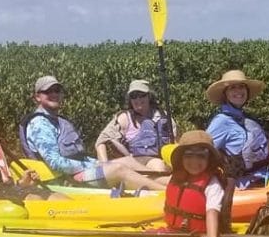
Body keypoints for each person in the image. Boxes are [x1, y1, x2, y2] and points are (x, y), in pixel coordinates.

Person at [20, 75, 167, 192]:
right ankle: (165, 193)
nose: (54, 94)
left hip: (79, 170)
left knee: (129, 161)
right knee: (118, 169)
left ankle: (169, 183)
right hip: (65, 179)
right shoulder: (39, 124)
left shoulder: (57, 120)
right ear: (37, 97)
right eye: (48, 91)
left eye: (57, 90)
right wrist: (93, 165)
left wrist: (94, 163)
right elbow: (55, 163)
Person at [94, 79, 178, 171]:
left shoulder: (164, 117)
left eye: (141, 95)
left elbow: (175, 141)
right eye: (134, 96)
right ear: (130, 99)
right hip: (134, 163)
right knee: (157, 165)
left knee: (160, 164)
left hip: (163, 162)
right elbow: (101, 141)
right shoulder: (124, 118)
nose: (138, 99)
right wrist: (104, 165)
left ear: (149, 96)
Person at [162, 130, 226, 237]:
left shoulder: (212, 184)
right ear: (181, 158)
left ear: (209, 159)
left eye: (201, 156)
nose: (194, 161)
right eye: (189, 155)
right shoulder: (178, 177)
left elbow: (212, 211)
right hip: (172, 233)